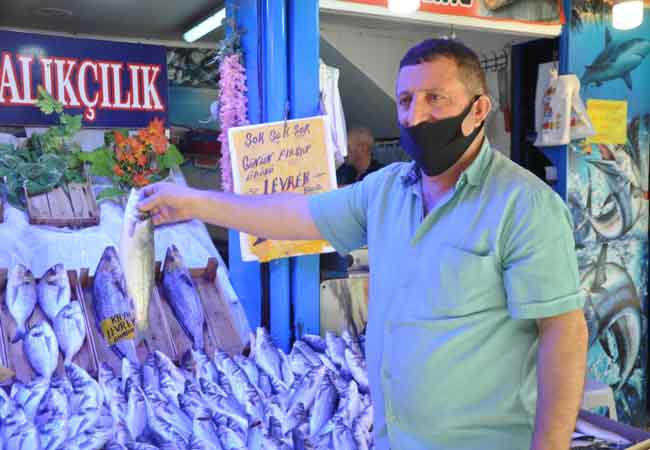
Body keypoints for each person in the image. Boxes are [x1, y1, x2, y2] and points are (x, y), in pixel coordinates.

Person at [138, 38, 588, 450]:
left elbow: (562, 334)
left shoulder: (525, 206)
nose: (415, 116)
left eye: (436, 99)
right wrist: (197, 203)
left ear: (477, 110)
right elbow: (295, 215)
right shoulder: (387, 189)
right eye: (406, 100)